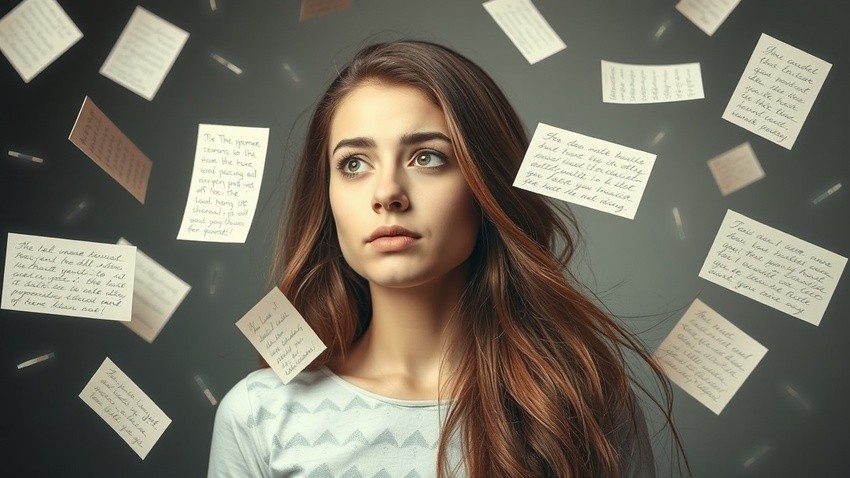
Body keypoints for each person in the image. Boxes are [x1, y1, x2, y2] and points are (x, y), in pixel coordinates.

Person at [208, 40, 682, 478]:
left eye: (428, 158)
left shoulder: (579, 402)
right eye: (354, 164)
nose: (388, 193)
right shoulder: (258, 414)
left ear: (485, 185)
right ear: (327, 198)